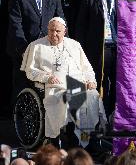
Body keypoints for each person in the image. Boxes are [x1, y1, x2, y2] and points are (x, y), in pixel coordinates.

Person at [21, 16, 107, 148]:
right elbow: (30, 71)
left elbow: (87, 68)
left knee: (93, 98)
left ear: (64, 31)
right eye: (50, 30)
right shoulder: (37, 46)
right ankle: (73, 140)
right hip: (55, 88)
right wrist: (46, 77)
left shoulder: (74, 45)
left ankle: (88, 140)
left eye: (57, 31)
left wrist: (91, 81)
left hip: (78, 85)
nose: (53, 34)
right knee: (72, 100)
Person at [7, 0, 64, 102]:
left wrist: (62, 44)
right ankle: (20, 119)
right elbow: (16, 24)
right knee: (23, 88)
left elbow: (60, 18)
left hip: (47, 49)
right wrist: (25, 51)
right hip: (23, 48)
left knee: (46, 87)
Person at [75, 0, 119, 120]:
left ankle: (112, 115)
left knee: (116, 84)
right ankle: (99, 118)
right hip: (98, 49)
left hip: (117, 49)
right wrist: (81, 52)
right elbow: (80, 27)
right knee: (99, 84)